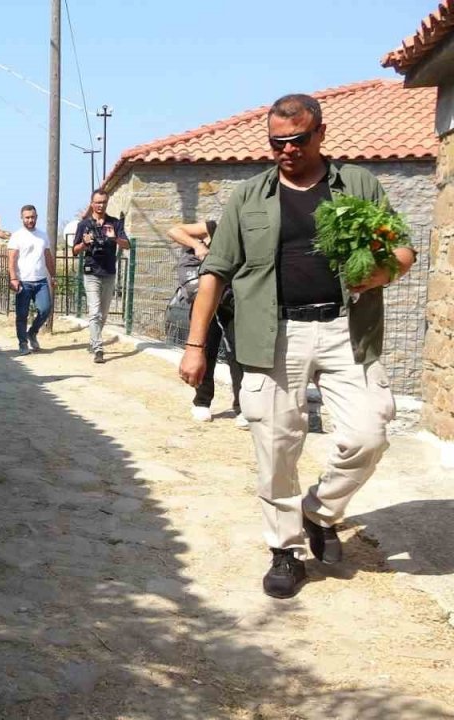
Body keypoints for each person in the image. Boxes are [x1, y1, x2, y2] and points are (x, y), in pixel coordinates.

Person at [178, 93, 416, 599]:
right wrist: (195, 345)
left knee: (369, 434)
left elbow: (402, 247)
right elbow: (215, 272)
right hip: (273, 333)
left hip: (346, 330)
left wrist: (384, 270)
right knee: (277, 444)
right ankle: (284, 550)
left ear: (320, 133)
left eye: (297, 140)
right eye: (276, 142)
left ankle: (320, 511)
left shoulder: (358, 186)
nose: (286, 150)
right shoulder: (248, 197)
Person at [167, 220, 246, 427]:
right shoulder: (215, 226)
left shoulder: (248, 231)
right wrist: (198, 245)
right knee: (204, 348)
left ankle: (242, 406)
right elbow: (174, 230)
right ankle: (202, 402)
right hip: (205, 296)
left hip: (233, 296)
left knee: (239, 352)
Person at [72, 190, 130, 364]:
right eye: (97, 202)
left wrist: (114, 239)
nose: (100, 205)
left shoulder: (115, 223)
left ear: (107, 203)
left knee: (103, 314)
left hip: (109, 272)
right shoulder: (84, 225)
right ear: (92, 203)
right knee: (95, 311)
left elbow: (127, 245)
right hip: (91, 272)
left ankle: (93, 340)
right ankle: (98, 348)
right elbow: (74, 250)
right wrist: (84, 243)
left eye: (103, 202)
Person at [7, 204, 55, 355]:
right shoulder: (17, 236)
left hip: (40, 281)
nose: (30, 220)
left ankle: (32, 332)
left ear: (36, 217)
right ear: (22, 218)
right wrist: (13, 278)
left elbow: (47, 257)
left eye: (32, 217)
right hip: (23, 281)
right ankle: (23, 343)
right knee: (22, 314)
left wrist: (53, 276)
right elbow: (12, 259)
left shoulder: (43, 235)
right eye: (27, 217)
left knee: (45, 309)